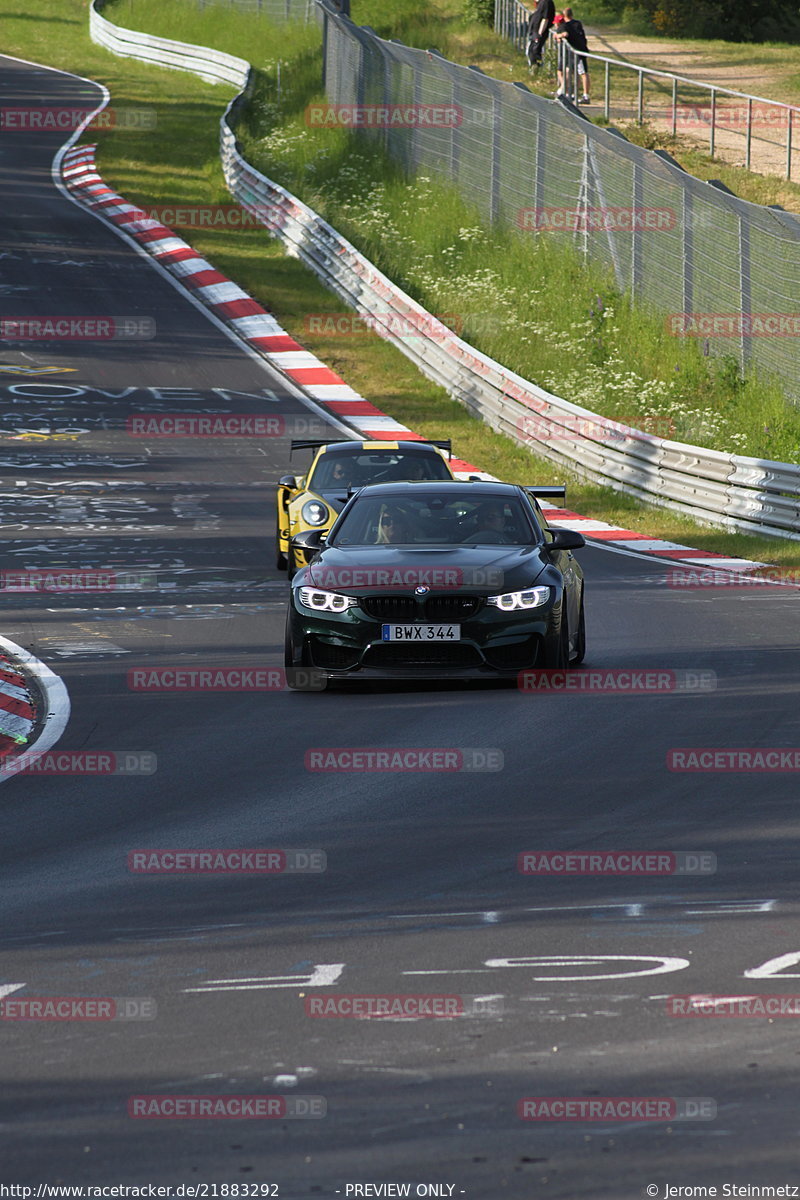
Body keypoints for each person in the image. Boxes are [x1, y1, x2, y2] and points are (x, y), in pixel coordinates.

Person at [555, 7, 591, 104]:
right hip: (579, 51)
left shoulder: (566, 26)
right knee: (574, 72)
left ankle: (585, 95)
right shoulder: (577, 23)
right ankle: (572, 93)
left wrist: (558, 35)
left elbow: (565, 34)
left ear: (564, 15)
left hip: (578, 53)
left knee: (583, 73)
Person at [525, 0, 556, 70]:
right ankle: (534, 68)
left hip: (538, 33)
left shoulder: (546, 2)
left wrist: (539, 33)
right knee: (530, 51)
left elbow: (545, 19)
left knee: (534, 51)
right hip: (534, 31)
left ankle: (536, 69)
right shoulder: (541, 3)